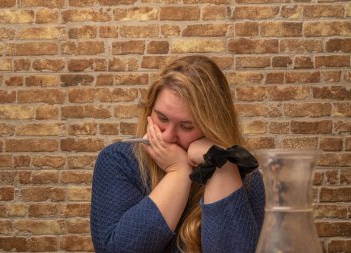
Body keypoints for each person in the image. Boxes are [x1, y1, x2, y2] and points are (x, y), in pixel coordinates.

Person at [90, 55, 265, 253]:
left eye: (187, 126)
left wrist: (220, 164)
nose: (167, 136)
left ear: (212, 127)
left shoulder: (244, 175)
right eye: (162, 118)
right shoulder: (118, 160)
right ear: (149, 110)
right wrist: (178, 171)